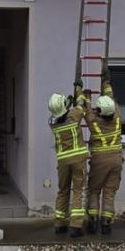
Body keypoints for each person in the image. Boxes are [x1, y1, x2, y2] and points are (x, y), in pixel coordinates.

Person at [48, 90, 90, 238]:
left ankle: (59, 223)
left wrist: (67, 104)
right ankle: (75, 226)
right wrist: (80, 94)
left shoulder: (51, 123)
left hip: (63, 161)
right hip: (78, 159)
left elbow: (63, 115)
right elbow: (81, 105)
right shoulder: (73, 116)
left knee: (63, 191)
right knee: (78, 191)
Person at [85, 81, 123, 234]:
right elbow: (110, 99)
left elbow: (87, 110)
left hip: (99, 161)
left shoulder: (93, 121)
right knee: (109, 192)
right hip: (116, 161)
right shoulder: (118, 115)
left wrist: (87, 96)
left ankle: (92, 220)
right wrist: (106, 83)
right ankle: (106, 223)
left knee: (94, 190)